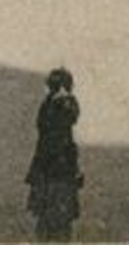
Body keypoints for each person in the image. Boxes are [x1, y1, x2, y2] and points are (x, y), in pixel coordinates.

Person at [26, 67, 82, 242]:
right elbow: (73, 114)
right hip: (60, 174)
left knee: (45, 223)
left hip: (44, 172)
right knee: (61, 226)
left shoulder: (47, 105)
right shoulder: (61, 107)